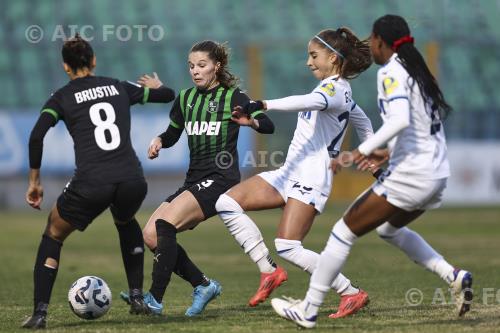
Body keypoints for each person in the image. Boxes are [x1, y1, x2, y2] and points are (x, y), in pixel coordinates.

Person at [271, 15, 473, 329]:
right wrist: (385, 150)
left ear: (380, 41)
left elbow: (399, 121)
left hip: (413, 174)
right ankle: (454, 276)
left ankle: (308, 310)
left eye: (372, 39)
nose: (370, 46)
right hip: (436, 173)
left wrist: (358, 152)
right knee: (388, 229)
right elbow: (414, 127)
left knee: (342, 232)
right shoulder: (416, 71)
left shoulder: (391, 71)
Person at [215, 27, 374, 318]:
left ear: (334, 57)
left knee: (288, 246)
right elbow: (362, 121)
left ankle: (351, 292)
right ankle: (268, 271)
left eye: (314, 55)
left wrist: (264, 104)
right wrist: (371, 153)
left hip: (311, 175)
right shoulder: (338, 91)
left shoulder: (333, 90)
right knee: (226, 202)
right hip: (290, 171)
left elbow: (308, 101)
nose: (308, 62)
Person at [21, 35, 176, 329]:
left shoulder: (62, 96)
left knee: (53, 234)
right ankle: (137, 297)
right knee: (126, 219)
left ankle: (40, 314)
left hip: (92, 183)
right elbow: (167, 95)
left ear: (66, 67)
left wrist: (34, 182)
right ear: (93, 61)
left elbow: (36, 136)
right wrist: (157, 87)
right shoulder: (118, 86)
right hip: (132, 179)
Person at [119, 40, 275, 317]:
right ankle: (203, 285)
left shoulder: (234, 97)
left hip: (221, 179)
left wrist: (251, 121)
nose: (195, 71)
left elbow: (268, 125)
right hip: (194, 180)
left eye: (202, 65)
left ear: (217, 66)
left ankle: (153, 298)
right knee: (152, 235)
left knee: (166, 224)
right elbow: (173, 133)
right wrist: (159, 140)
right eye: (191, 66)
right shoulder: (185, 98)